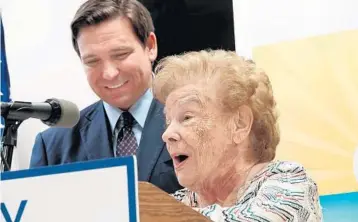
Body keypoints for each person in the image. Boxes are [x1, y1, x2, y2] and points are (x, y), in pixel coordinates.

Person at [29, 0, 182, 194]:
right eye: (92, 61)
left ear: (150, 46)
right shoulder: (53, 147)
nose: (109, 73)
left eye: (120, 54)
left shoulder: (199, 120)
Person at [152, 49, 323, 221]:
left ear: (239, 124)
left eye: (187, 117)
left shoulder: (290, 183)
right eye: (168, 121)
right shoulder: (173, 204)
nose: (167, 134)